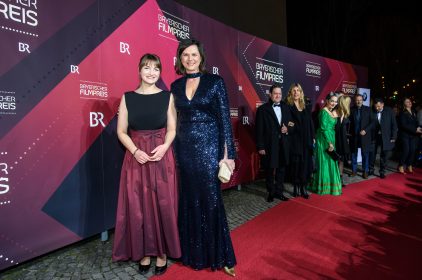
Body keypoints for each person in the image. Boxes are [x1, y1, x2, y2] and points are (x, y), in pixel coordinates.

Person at [170, 39, 236, 276]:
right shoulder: (175, 86)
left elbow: (225, 121)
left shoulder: (215, 82)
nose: (189, 59)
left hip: (209, 151)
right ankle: (191, 253)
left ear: (201, 57)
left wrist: (227, 157)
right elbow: (172, 121)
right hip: (185, 151)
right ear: (180, 59)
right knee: (189, 199)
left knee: (211, 201)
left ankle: (220, 256)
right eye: (185, 55)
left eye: (193, 54)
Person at [112, 54, 180, 276]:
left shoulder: (167, 97)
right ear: (139, 70)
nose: (151, 72)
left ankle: (161, 254)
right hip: (137, 158)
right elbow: (121, 131)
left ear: (160, 72)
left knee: (163, 204)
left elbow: (172, 129)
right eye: (147, 68)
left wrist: (165, 147)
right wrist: (135, 151)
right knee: (138, 207)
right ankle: (144, 253)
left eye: (156, 69)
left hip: (161, 157)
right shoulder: (127, 97)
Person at [256, 84, 292, 202]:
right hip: (269, 145)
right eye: (275, 93)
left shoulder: (286, 107)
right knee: (270, 170)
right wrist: (260, 146)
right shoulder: (262, 109)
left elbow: (292, 123)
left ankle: (279, 192)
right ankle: (271, 192)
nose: (278, 96)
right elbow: (259, 130)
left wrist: (288, 129)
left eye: (280, 94)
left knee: (281, 169)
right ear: (270, 94)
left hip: (283, 144)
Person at [308, 92, 342, 196]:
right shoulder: (323, 112)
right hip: (324, 140)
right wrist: (329, 143)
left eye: (335, 102)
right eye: (332, 101)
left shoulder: (333, 112)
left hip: (331, 137)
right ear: (327, 101)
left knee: (331, 161)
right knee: (324, 162)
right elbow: (323, 129)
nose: (333, 103)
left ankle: (331, 186)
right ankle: (323, 187)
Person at [286, 83, 314, 199]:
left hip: (306, 140)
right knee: (296, 165)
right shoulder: (287, 106)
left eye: (298, 90)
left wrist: (313, 137)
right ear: (291, 93)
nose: (296, 92)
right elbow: (288, 123)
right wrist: (293, 128)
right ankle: (296, 187)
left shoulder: (306, 106)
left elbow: (310, 123)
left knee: (305, 165)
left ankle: (303, 188)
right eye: (294, 90)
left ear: (301, 92)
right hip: (295, 140)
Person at [368, 98, 397, 178]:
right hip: (374, 136)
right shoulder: (372, 111)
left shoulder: (389, 111)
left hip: (386, 137)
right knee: (372, 154)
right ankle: (371, 170)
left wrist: (394, 136)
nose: (377, 108)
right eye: (376, 107)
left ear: (382, 104)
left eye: (379, 106)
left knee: (384, 155)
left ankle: (382, 171)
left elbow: (394, 125)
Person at [349, 94, 375, 178]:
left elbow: (373, 122)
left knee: (365, 154)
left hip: (365, 136)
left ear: (362, 100)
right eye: (357, 100)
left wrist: (366, 130)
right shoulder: (351, 110)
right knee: (353, 154)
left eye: (360, 100)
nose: (358, 101)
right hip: (354, 136)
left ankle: (365, 171)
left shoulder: (368, 109)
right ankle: (354, 170)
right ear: (354, 101)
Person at [397, 98, 422, 174]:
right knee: (406, 150)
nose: (410, 103)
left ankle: (409, 165)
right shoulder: (402, 113)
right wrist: (415, 130)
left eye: (410, 101)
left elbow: (416, 122)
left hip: (413, 135)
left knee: (413, 150)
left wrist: (418, 128)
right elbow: (404, 125)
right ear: (404, 104)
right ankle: (400, 165)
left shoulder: (414, 111)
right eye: (407, 102)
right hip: (405, 135)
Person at [335, 94, 351, 186]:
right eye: (348, 102)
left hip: (343, 141)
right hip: (335, 140)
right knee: (335, 160)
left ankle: (340, 180)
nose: (349, 104)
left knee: (341, 161)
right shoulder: (335, 112)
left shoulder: (347, 114)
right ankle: (334, 179)